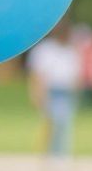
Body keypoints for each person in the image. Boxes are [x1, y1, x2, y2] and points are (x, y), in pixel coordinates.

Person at [27, 22, 80, 159]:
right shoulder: (45, 50)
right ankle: (50, 154)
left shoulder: (70, 50)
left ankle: (60, 154)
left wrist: (75, 91)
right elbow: (38, 74)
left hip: (66, 91)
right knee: (52, 123)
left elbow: (74, 74)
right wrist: (37, 93)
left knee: (64, 123)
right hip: (51, 90)